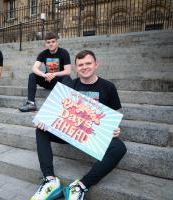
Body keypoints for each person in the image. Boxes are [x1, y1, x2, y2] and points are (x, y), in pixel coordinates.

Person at [30, 50, 127, 200]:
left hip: (92, 136)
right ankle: (50, 180)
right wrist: (46, 121)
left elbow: (116, 114)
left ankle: (79, 187)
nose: (84, 67)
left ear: (96, 64)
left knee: (119, 148)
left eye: (88, 63)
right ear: (76, 67)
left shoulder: (108, 87)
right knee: (40, 129)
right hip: (69, 131)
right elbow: (57, 109)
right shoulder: (69, 84)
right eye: (80, 64)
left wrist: (115, 128)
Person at [18, 32, 72, 112]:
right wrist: (44, 75)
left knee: (67, 78)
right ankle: (31, 103)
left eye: (53, 42)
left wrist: (54, 74)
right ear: (45, 44)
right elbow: (34, 68)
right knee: (32, 75)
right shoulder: (43, 54)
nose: (51, 44)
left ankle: (63, 104)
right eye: (48, 42)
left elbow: (68, 71)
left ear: (57, 42)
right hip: (47, 80)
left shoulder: (64, 53)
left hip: (59, 82)